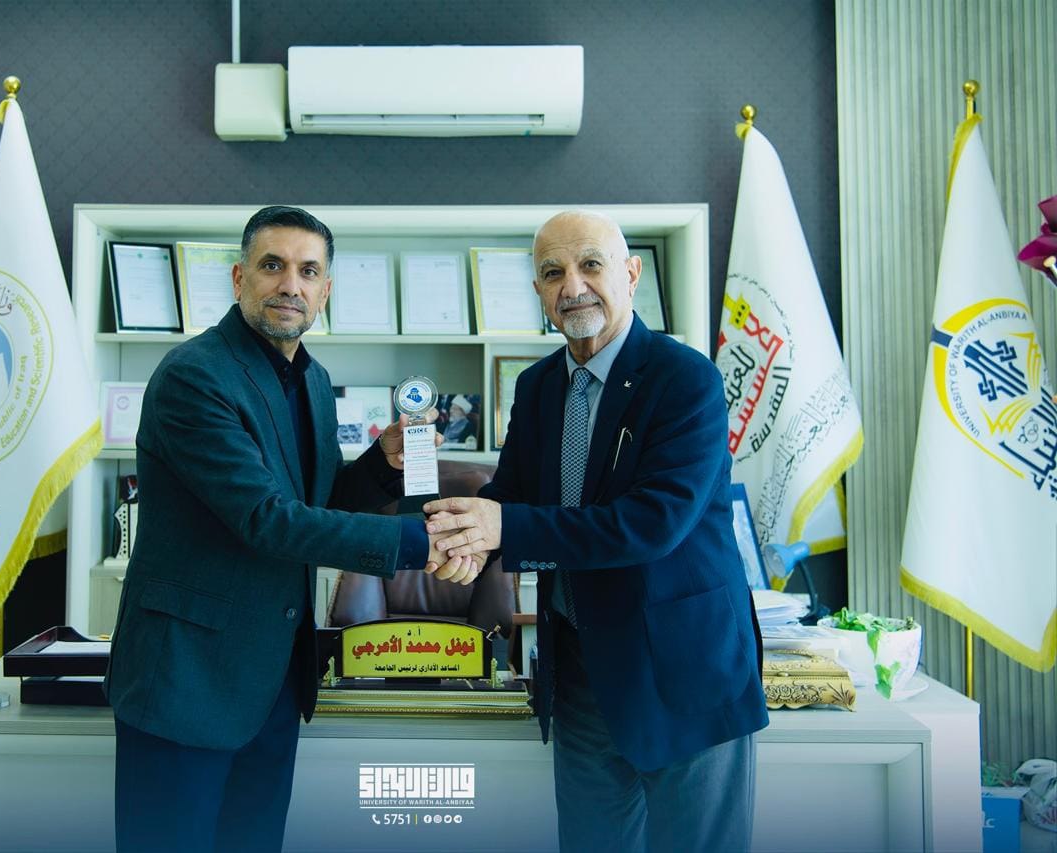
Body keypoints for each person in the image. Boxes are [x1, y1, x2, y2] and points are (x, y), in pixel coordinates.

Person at [104, 206, 480, 853]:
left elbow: (317, 500)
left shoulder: (311, 378)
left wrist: (380, 464)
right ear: (239, 277)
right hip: (187, 683)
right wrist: (424, 543)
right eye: (272, 265)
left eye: (308, 271)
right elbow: (266, 517)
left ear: (325, 290)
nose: (290, 285)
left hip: (272, 680)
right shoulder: (194, 376)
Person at [425, 210, 768, 852]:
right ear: (538, 291)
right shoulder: (536, 386)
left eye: (590, 265)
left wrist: (503, 525)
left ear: (631, 274)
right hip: (581, 676)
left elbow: (651, 524)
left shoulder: (685, 378)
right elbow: (513, 498)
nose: (572, 286)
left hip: (683, 671)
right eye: (553, 273)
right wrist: (463, 535)